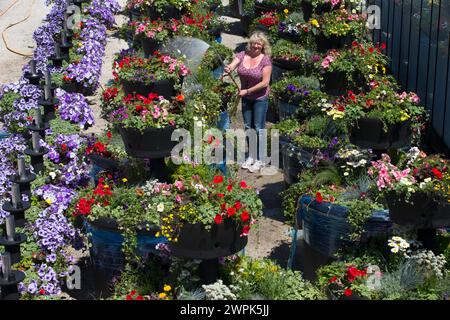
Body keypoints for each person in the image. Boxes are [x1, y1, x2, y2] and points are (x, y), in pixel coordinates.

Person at [224, 31, 273, 173]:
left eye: (259, 43)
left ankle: (260, 158)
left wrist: (248, 91)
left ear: (263, 46)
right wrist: (228, 69)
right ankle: (251, 156)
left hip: (259, 98)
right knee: (247, 126)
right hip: (245, 97)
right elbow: (233, 65)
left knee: (258, 127)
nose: (256, 46)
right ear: (249, 44)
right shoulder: (242, 55)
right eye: (254, 43)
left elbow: (265, 83)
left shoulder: (265, 61)